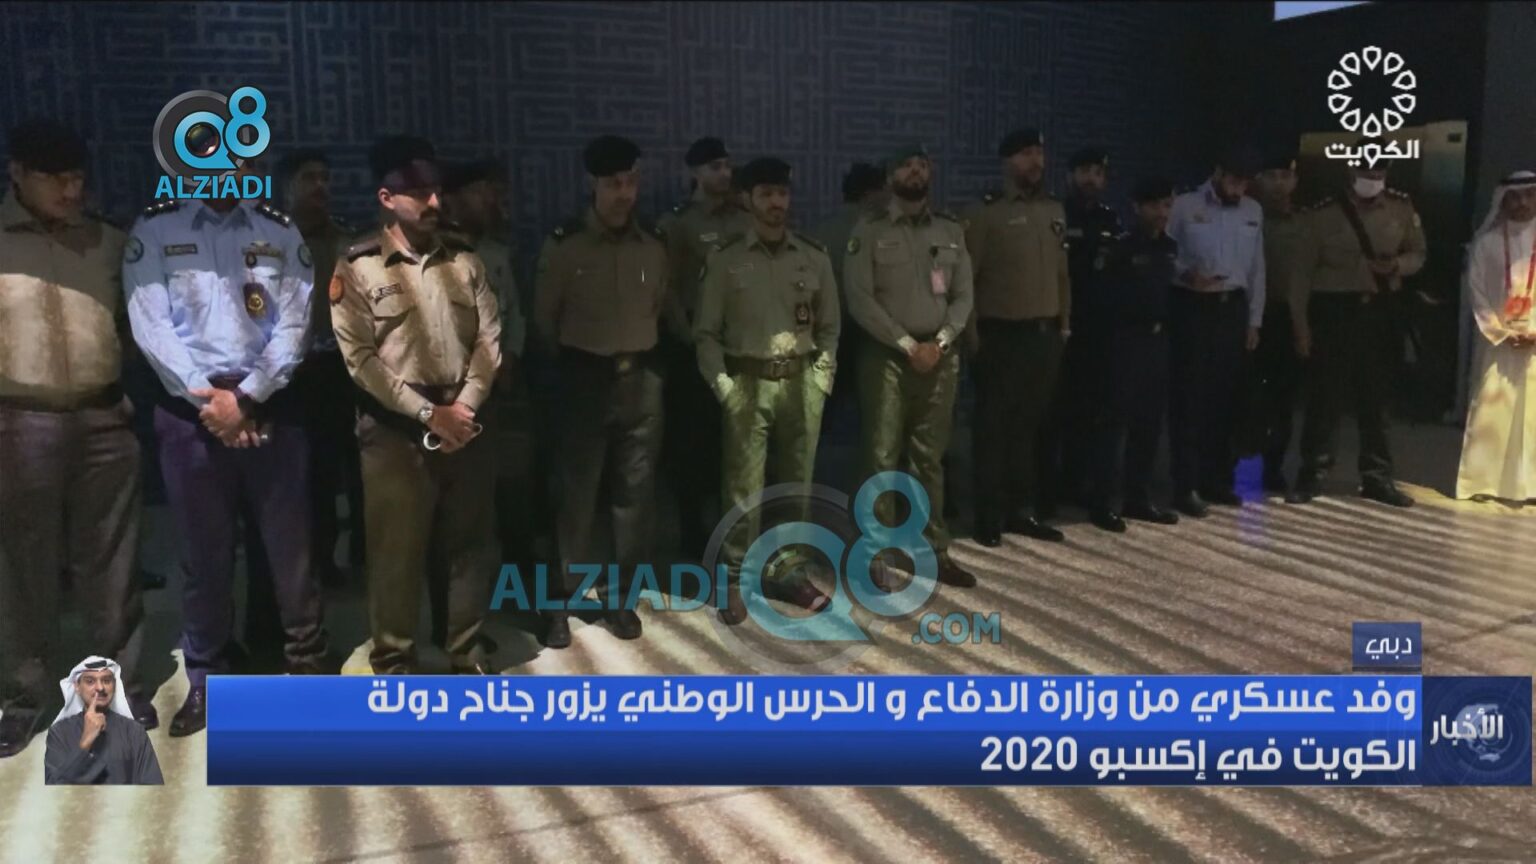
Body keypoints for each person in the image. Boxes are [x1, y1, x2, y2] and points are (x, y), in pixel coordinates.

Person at [125, 158, 328, 737]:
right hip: (189, 412)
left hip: (271, 403)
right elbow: (152, 328)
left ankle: (307, 666)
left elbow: (295, 323)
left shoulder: (277, 229)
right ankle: (207, 677)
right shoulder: (156, 229)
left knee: (291, 551)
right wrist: (212, 401)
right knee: (204, 556)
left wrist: (249, 396)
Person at [0, 120, 155, 759]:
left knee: (112, 565)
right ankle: (23, 696)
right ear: (17, 174)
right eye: (55, 179)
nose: (71, 191)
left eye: (77, 178)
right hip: (18, 421)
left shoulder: (110, 242)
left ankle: (113, 690)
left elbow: (137, 326)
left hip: (103, 418)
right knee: (22, 567)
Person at [330, 136, 502, 675]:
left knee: (467, 546)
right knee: (395, 554)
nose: (433, 202)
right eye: (418, 193)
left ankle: (465, 649)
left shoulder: (464, 259)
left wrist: (464, 406)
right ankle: (395, 659)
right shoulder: (358, 266)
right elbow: (361, 359)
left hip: (465, 420)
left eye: (436, 191)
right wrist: (430, 414)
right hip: (394, 432)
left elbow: (489, 341)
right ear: (387, 198)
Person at [535, 135, 674, 648]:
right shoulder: (565, 245)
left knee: (635, 497)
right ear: (591, 184)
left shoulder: (654, 243)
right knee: (574, 498)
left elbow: (659, 306)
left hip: (641, 381)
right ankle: (558, 601)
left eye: (632, 182)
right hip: (583, 379)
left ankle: (619, 599)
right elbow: (544, 321)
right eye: (614, 183)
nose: (625, 194)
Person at [694, 157, 840, 623]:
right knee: (743, 490)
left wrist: (821, 379)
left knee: (796, 485)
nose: (777, 203)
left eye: (782, 193)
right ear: (747, 200)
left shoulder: (813, 256)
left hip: (801, 382)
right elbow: (706, 334)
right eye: (766, 194)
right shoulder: (726, 259)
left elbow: (830, 327)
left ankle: (789, 571)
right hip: (747, 382)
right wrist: (724, 388)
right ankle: (734, 578)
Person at [844, 143, 977, 588]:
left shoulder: (950, 229)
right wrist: (907, 345)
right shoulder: (869, 230)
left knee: (929, 459)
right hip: (887, 358)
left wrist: (939, 343)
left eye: (922, 165)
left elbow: (963, 295)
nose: (916, 172)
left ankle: (933, 550)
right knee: (880, 458)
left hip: (940, 357)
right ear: (890, 177)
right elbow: (860, 299)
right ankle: (875, 553)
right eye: (906, 166)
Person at [1287, 139, 1425, 507]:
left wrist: (1397, 266)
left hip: (1380, 313)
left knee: (1377, 400)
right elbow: (1301, 276)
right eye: (1366, 172)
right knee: (1325, 398)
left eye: (1378, 173)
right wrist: (1301, 327)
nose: (1372, 179)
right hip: (1335, 313)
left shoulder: (1401, 207)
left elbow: (1418, 252)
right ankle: (1312, 473)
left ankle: (1377, 476)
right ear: (1351, 170)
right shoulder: (1322, 214)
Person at [964, 128, 1070, 546]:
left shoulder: (1053, 210)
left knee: (1029, 427)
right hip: (1000, 337)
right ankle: (988, 516)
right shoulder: (986, 213)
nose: (1036, 161)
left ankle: (1021, 510)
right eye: (1027, 153)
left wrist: (1064, 325)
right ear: (1007, 161)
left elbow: (1062, 275)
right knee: (993, 430)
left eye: (1040, 153)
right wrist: (972, 337)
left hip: (1044, 337)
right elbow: (966, 281)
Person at [440, 158, 531, 649]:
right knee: (454, 519)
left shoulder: (495, 253)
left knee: (513, 497)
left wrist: (511, 355)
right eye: (481, 192)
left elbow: (513, 312)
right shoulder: (433, 253)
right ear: (452, 199)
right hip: (449, 402)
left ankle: (514, 594)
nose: (491, 200)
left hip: (498, 394)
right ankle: (452, 620)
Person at [658, 137, 751, 560]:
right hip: (695, 347)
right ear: (694, 173)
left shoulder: (744, 220)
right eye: (715, 167)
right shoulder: (679, 224)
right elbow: (668, 289)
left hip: (741, 345)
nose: (725, 174)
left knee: (735, 443)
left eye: (728, 166)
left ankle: (734, 530)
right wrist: (689, 337)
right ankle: (692, 534)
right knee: (692, 444)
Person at [1166, 146, 1267, 518]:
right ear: (1218, 174)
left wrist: (1254, 321)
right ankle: (1186, 484)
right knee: (1190, 398)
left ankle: (1216, 478)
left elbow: (1257, 269)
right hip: (1194, 306)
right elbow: (1165, 253)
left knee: (1225, 400)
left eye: (1244, 183)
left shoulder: (1253, 211)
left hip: (1232, 309)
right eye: (1234, 180)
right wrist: (1184, 275)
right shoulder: (1185, 206)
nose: (1239, 189)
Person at [280, 148, 364, 587]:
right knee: (313, 474)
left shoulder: (346, 242)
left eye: (325, 178)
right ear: (286, 187)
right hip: (295, 372)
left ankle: (362, 556)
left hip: (344, 368)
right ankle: (317, 561)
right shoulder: (272, 241)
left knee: (357, 466)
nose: (321, 187)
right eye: (310, 178)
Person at [1085, 178, 1183, 530]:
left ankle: (1137, 498)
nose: (1162, 213)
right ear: (1137, 207)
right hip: (1124, 343)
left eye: (1167, 205)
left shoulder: (1169, 247)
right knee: (1113, 426)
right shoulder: (1119, 248)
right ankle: (1102, 503)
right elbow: (1102, 301)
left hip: (1158, 343)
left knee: (1149, 424)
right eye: (1155, 206)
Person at [1044, 146, 1122, 518]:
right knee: (1053, 411)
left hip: (1098, 330)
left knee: (1093, 411)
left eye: (1098, 173)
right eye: (1085, 172)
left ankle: (1081, 484)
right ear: (1070, 175)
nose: (1092, 179)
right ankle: (1046, 490)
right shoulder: (1056, 215)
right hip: (1061, 326)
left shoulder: (1110, 219)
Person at [1456, 170, 1536, 502]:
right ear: (1503, 200)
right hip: (1497, 342)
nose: (1522, 202)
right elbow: (1476, 294)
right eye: (1514, 196)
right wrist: (1500, 332)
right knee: (1492, 411)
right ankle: (1482, 483)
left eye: (1529, 195)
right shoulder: (1486, 244)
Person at [1248, 149, 1306, 493]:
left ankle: (1273, 468)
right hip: (1248, 318)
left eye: (1286, 176)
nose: (1279, 184)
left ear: (1295, 180)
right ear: (1258, 180)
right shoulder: (1246, 216)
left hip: (1286, 319)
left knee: (1283, 400)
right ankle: (1238, 465)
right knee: (1246, 397)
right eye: (1271, 176)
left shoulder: (1305, 222)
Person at [44, 657, 162, 785]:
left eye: (106, 681)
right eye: (90, 681)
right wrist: (85, 744)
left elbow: (153, 785)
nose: (100, 688)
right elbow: (55, 786)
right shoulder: (59, 733)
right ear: (77, 687)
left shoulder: (134, 731)